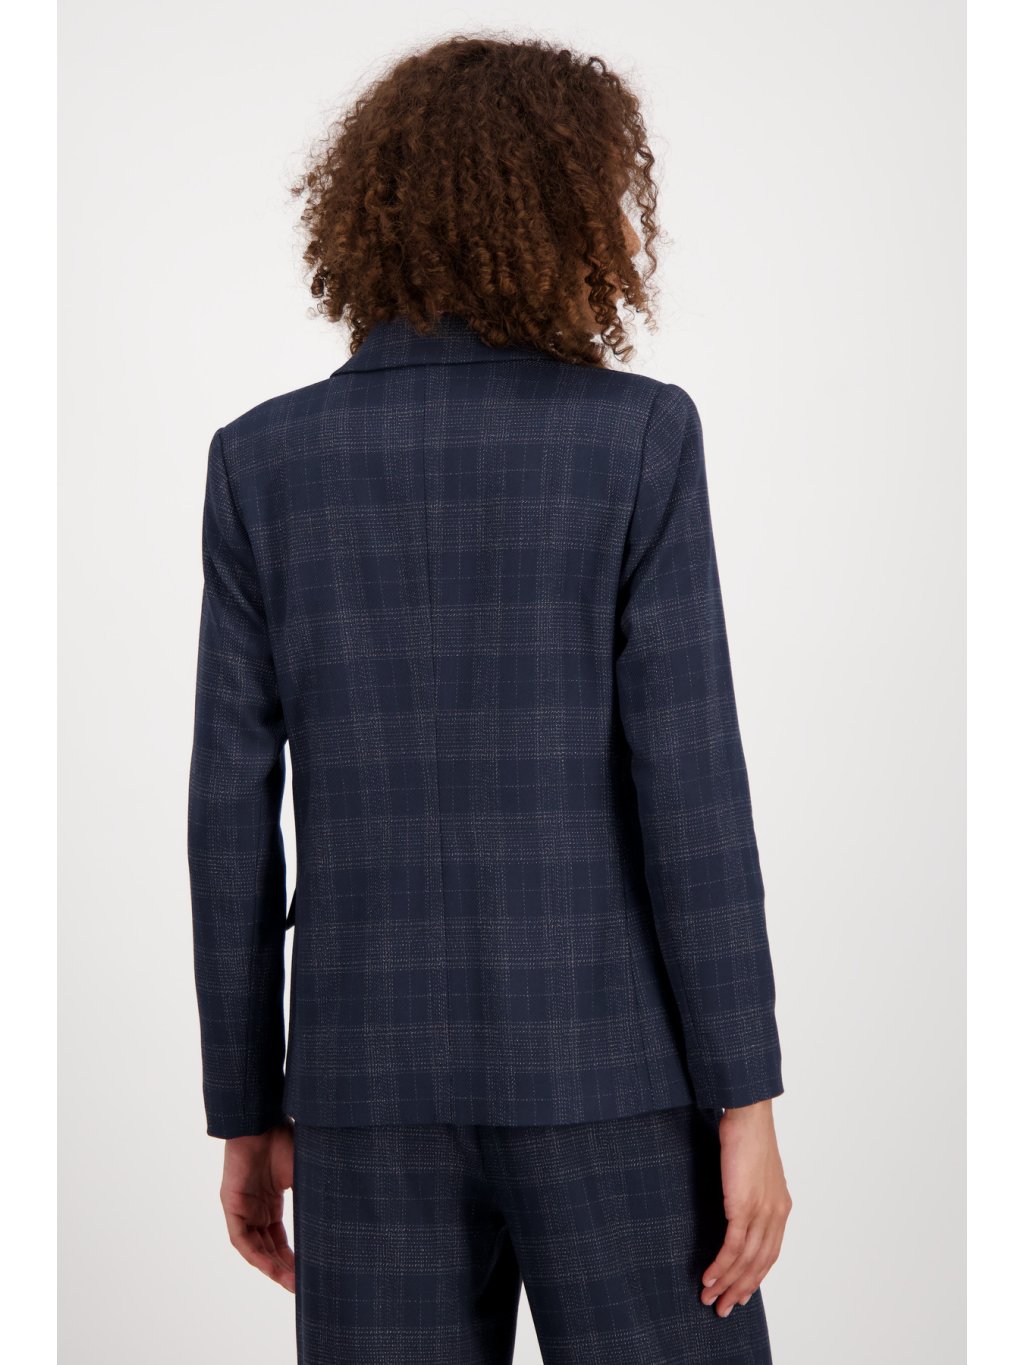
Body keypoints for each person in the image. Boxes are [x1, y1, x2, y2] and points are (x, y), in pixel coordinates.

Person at [188, 32, 792, 1365]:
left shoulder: (261, 464)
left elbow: (228, 824)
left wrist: (247, 1108)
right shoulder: (636, 437)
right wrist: (744, 1099)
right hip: (608, 1074)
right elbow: (691, 789)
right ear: (571, 212)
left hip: (361, 1089)